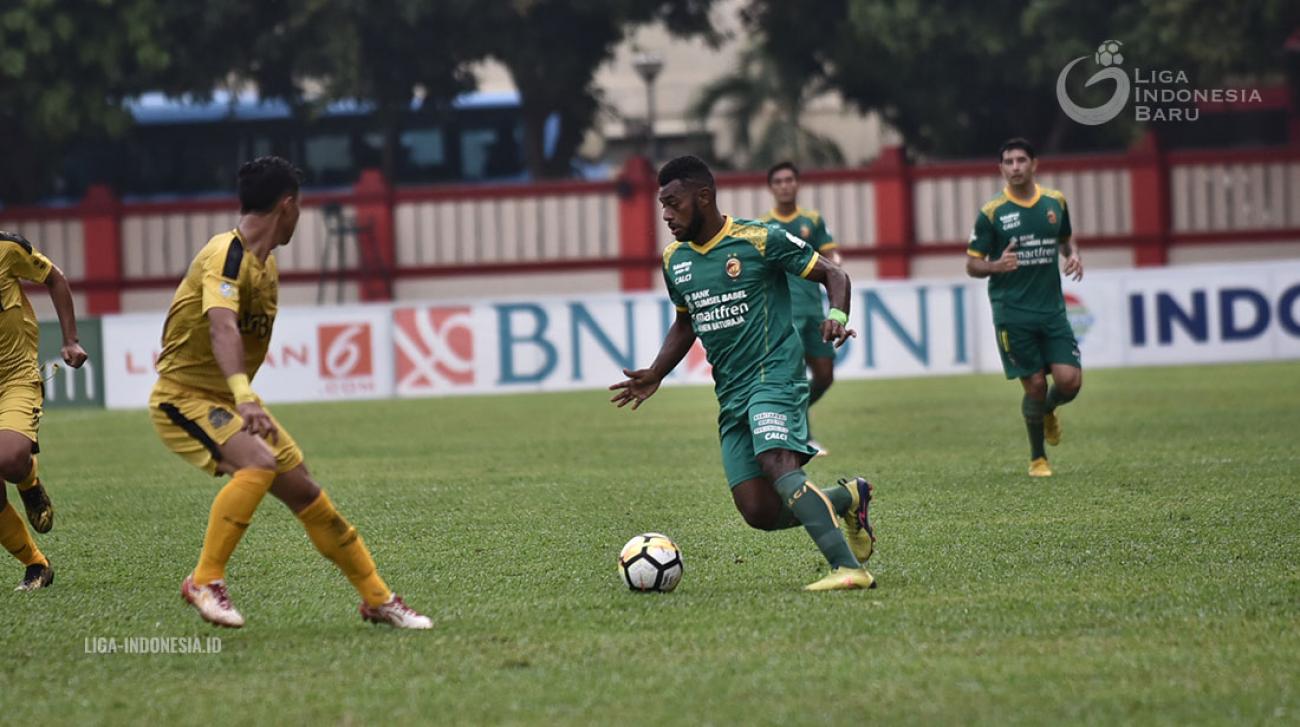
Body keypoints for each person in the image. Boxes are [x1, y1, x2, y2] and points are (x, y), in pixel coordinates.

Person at [149, 156, 431, 628]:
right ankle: (204, 579)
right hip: (184, 398)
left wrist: (241, 396)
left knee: (308, 494)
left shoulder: (265, 265)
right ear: (287, 205)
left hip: (230, 399)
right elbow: (221, 328)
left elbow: (195, 318)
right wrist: (242, 396)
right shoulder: (227, 255)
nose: (301, 215)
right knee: (257, 464)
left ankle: (378, 599)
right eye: (300, 206)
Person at [610, 155, 876, 591]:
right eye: (663, 205)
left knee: (778, 461)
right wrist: (656, 373)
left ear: (704, 197)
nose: (665, 215)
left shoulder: (759, 239)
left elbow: (833, 273)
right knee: (759, 511)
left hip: (775, 375)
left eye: (674, 204)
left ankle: (849, 569)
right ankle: (849, 497)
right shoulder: (675, 259)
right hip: (731, 393)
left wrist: (837, 314)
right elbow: (685, 322)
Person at [966, 138, 1084, 477]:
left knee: (1069, 383)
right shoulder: (993, 213)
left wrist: (1072, 255)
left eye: (1021, 160)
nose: (1015, 167)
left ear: (1034, 164)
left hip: (1051, 311)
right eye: (1008, 161)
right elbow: (972, 265)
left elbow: (1064, 239)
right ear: (1001, 168)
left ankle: (1047, 410)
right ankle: (1038, 458)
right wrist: (995, 265)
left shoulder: (1054, 202)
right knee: (1034, 384)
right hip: (1011, 312)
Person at [0, 231, 87, 590]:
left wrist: (70, 339)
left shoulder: (7, 248)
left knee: (8, 459)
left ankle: (28, 477)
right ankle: (36, 565)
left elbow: (55, 278)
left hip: (14, 377)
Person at [761, 161, 840, 455]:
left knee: (824, 376)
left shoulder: (812, 221)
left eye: (789, 180)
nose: (784, 185)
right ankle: (802, 437)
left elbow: (831, 260)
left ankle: (791, 417)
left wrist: (837, 280)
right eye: (778, 181)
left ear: (797, 183)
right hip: (784, 313)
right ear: (771, 187)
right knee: (793, 375)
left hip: (814, 311)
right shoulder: (763, 227)